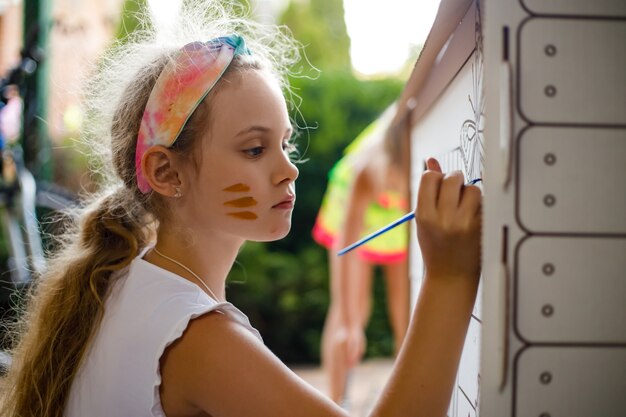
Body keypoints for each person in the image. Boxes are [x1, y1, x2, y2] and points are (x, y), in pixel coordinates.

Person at [0, 2, 482, 416]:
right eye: (255, 150)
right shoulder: (196, 336)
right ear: (167, 173)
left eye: (285, 146)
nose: (288, 170)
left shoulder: (126, 282)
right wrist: (450, 278)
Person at [312, 105, 411, 405]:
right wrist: (349, 324)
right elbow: (347, 249)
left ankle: (409, 392)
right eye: (393, 184)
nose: (398, 190)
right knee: (352, 306)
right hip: (352, 212)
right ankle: (336, 400)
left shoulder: (414, 167)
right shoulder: (366, 170)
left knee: (404, 304)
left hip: (394, 221)